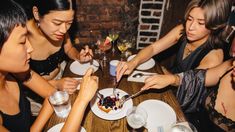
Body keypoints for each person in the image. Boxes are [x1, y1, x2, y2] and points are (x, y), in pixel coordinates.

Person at [0, 1, 98, 131]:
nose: (30, 48)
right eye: (22, 41)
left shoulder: (16, 73)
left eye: (69, 23)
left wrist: (53, 97)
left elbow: (53, 95)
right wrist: (82, 100)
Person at [141, 28, 235, 131]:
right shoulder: (229, 66)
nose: (233, 63)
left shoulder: (215, 55)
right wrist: (172, 79)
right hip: (187, 123)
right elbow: (197, 78)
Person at [116, 0, 232, 82]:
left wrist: (164, 72)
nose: (190, 27)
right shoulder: (182, 30)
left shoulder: (214, 56)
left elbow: (188, 84)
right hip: (168, 78)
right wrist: (133, 62)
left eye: (200, 23)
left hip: (184, 100)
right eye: (190, 19)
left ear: (214, 26)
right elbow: (153, 48)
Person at [26, 0, 93, 93]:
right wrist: (56, 84)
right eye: (57, 23)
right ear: (36, 13)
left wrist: (78, 56)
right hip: (34, 94)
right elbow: (24, 81)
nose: (64, 30)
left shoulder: (60, 28)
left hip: (62, 76)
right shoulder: (21, 36)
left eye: (69, 23)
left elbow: (69, 49)